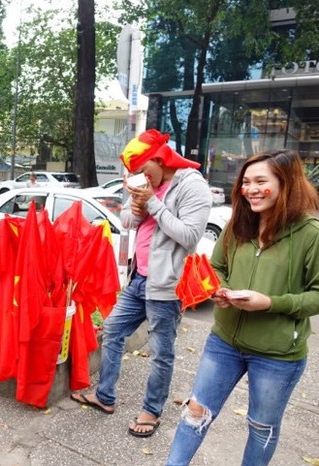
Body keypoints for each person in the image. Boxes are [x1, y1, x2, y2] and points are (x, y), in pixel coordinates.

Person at [166, 149, 319, 465]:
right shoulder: (239, 221)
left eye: (260, 181)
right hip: (223, 342)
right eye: (246, 181)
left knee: (261, 427)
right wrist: (217, 288)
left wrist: (270, 303)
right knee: (195, 412)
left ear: (286, 183)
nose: (250, 189)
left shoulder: (311, 233)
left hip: (278, 356)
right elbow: (218, 265)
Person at [70, 129, 212, 437]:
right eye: (134, 174)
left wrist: (152, 204)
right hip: (138, 279)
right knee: (111, 331)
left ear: (160, 159)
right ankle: (105, 396)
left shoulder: (192, 186)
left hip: (166, 285)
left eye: (143, 171)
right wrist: (135, 209)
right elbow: (126, 222)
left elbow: (189, 236)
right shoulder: (146, 185)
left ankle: (152, 411)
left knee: (161, 353)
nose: (140, 178)